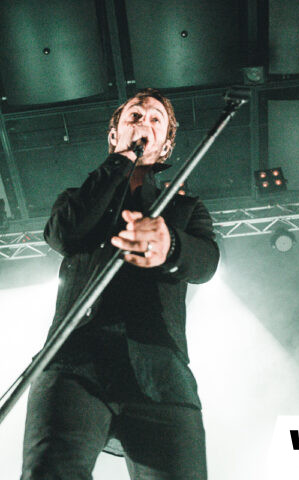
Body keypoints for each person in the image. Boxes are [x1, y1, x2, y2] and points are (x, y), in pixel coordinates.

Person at [21, 88, 219, 480]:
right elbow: (64, 235)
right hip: (74, 360)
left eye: (156, 120)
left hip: (159, 367)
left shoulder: (184, 209)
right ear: (114, 135)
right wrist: (122, 160)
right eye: (135, 116)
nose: (144, 123)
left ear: (165, 146)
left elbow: (206, 263)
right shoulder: (77, 199)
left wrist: (169, 245)